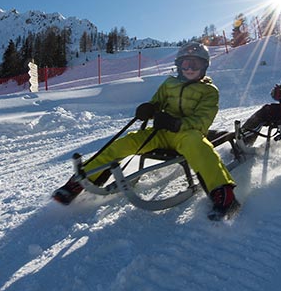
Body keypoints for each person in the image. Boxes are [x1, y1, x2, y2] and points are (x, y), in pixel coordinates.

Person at [52, 42, 239, 220]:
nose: (190, 68)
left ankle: (224, 194)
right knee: (126, 141)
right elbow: (156, 102)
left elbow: (202, 121)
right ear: (179, 65)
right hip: (161, 133)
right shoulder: (169, 84)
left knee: (199, 147)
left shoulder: (209, 91)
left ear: (204, 67)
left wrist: (176, 123)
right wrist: (149, 108)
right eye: (185, 64)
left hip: (187, 134)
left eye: (195, 64)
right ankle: (80, 181)